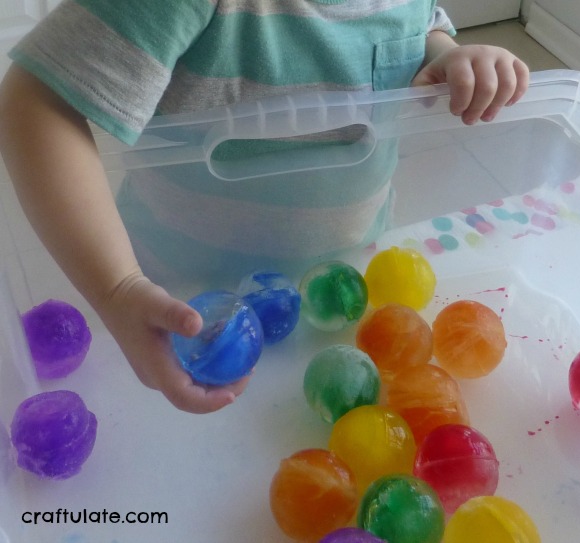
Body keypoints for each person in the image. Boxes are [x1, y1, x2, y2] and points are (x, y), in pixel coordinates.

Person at [0, 0, 529, 414]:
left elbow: (419, 27)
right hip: (179, 305)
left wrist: (446, 54)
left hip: (341, 293)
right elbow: (37, 99)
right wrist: (117, 288)